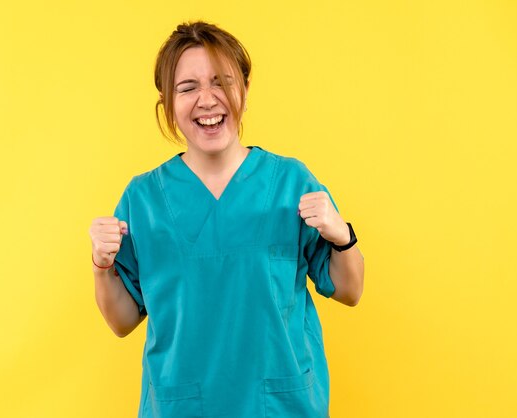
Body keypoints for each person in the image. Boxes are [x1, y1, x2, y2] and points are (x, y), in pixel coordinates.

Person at [89, 21, 364, 418]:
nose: (207, 99)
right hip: (181, 407)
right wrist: (101, 266)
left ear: (245, 92)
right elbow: (122, 321)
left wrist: (342, 236)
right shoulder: (143, 199)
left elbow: (350, 290)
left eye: (222, 82)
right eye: (188, 87)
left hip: (279, 407)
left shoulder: (291, 183)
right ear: (167, 102)